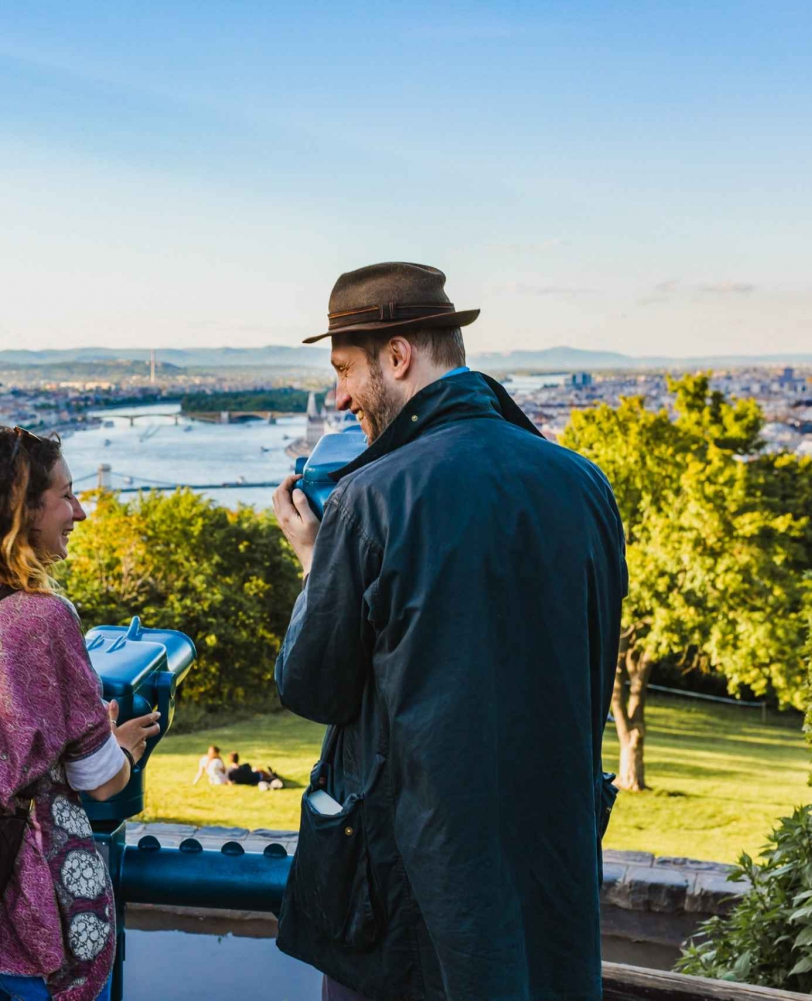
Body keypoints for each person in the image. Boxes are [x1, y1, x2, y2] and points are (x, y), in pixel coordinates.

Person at [271, 263, 627, 1001]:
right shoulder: (585, 482)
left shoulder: (371, 495)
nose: (339, 396)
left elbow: (313, 684)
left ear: (397, 357)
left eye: (344, 370)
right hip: (552, 881)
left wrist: (315, 563)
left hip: (407, 899)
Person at [0, 424, 162, 1001]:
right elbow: (98, 779)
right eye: (65, 495)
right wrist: (123, 747)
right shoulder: (42, 618)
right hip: (28, 911)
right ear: (19, 512)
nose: (80, 511)